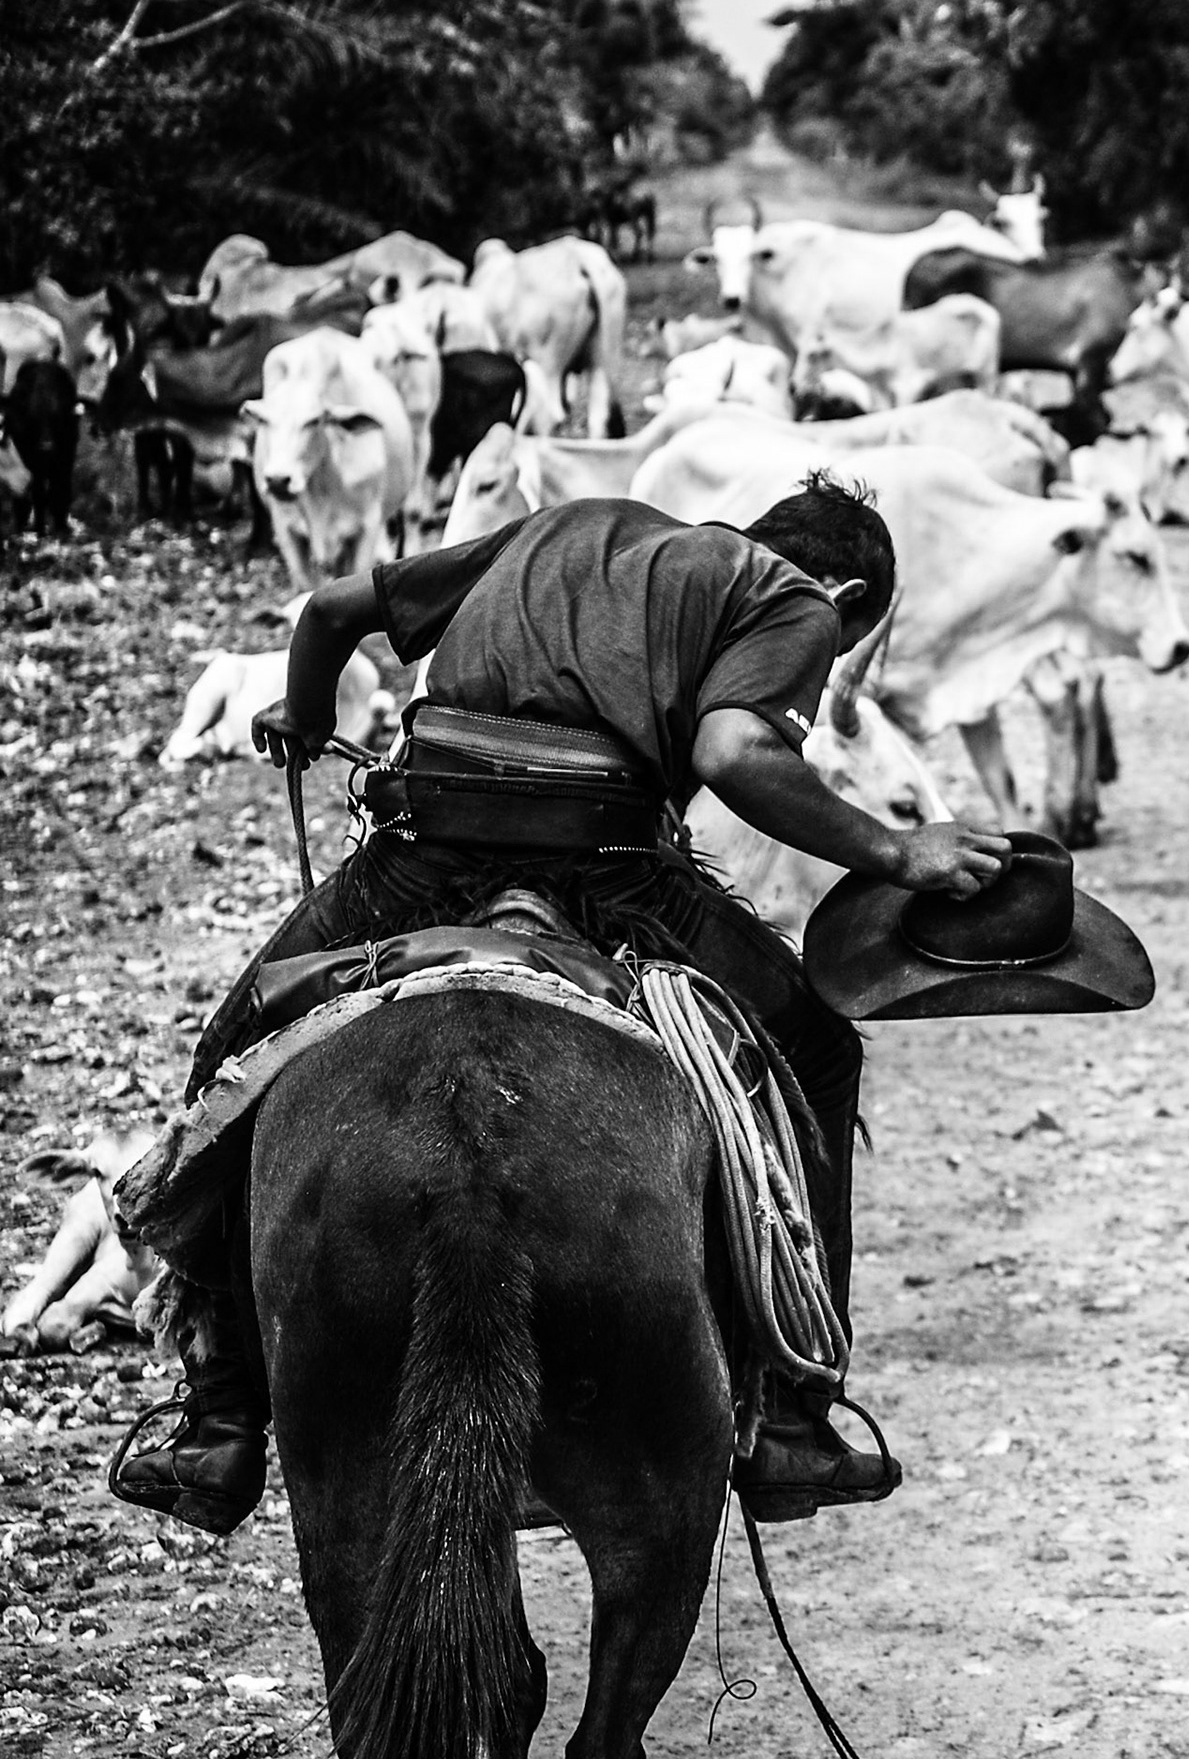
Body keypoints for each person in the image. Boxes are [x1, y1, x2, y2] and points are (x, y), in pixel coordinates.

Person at [116, 477, 1010, 1534]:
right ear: (847, 597)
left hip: (428, 838)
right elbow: (734, 752)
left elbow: (332, 610)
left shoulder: (563, 529)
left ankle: (220, 1417)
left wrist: (305, 714)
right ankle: (797, 1418)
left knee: (233, 1048)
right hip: (604, 859)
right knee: (818, 1052)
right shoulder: (795, 598)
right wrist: (898, 851)